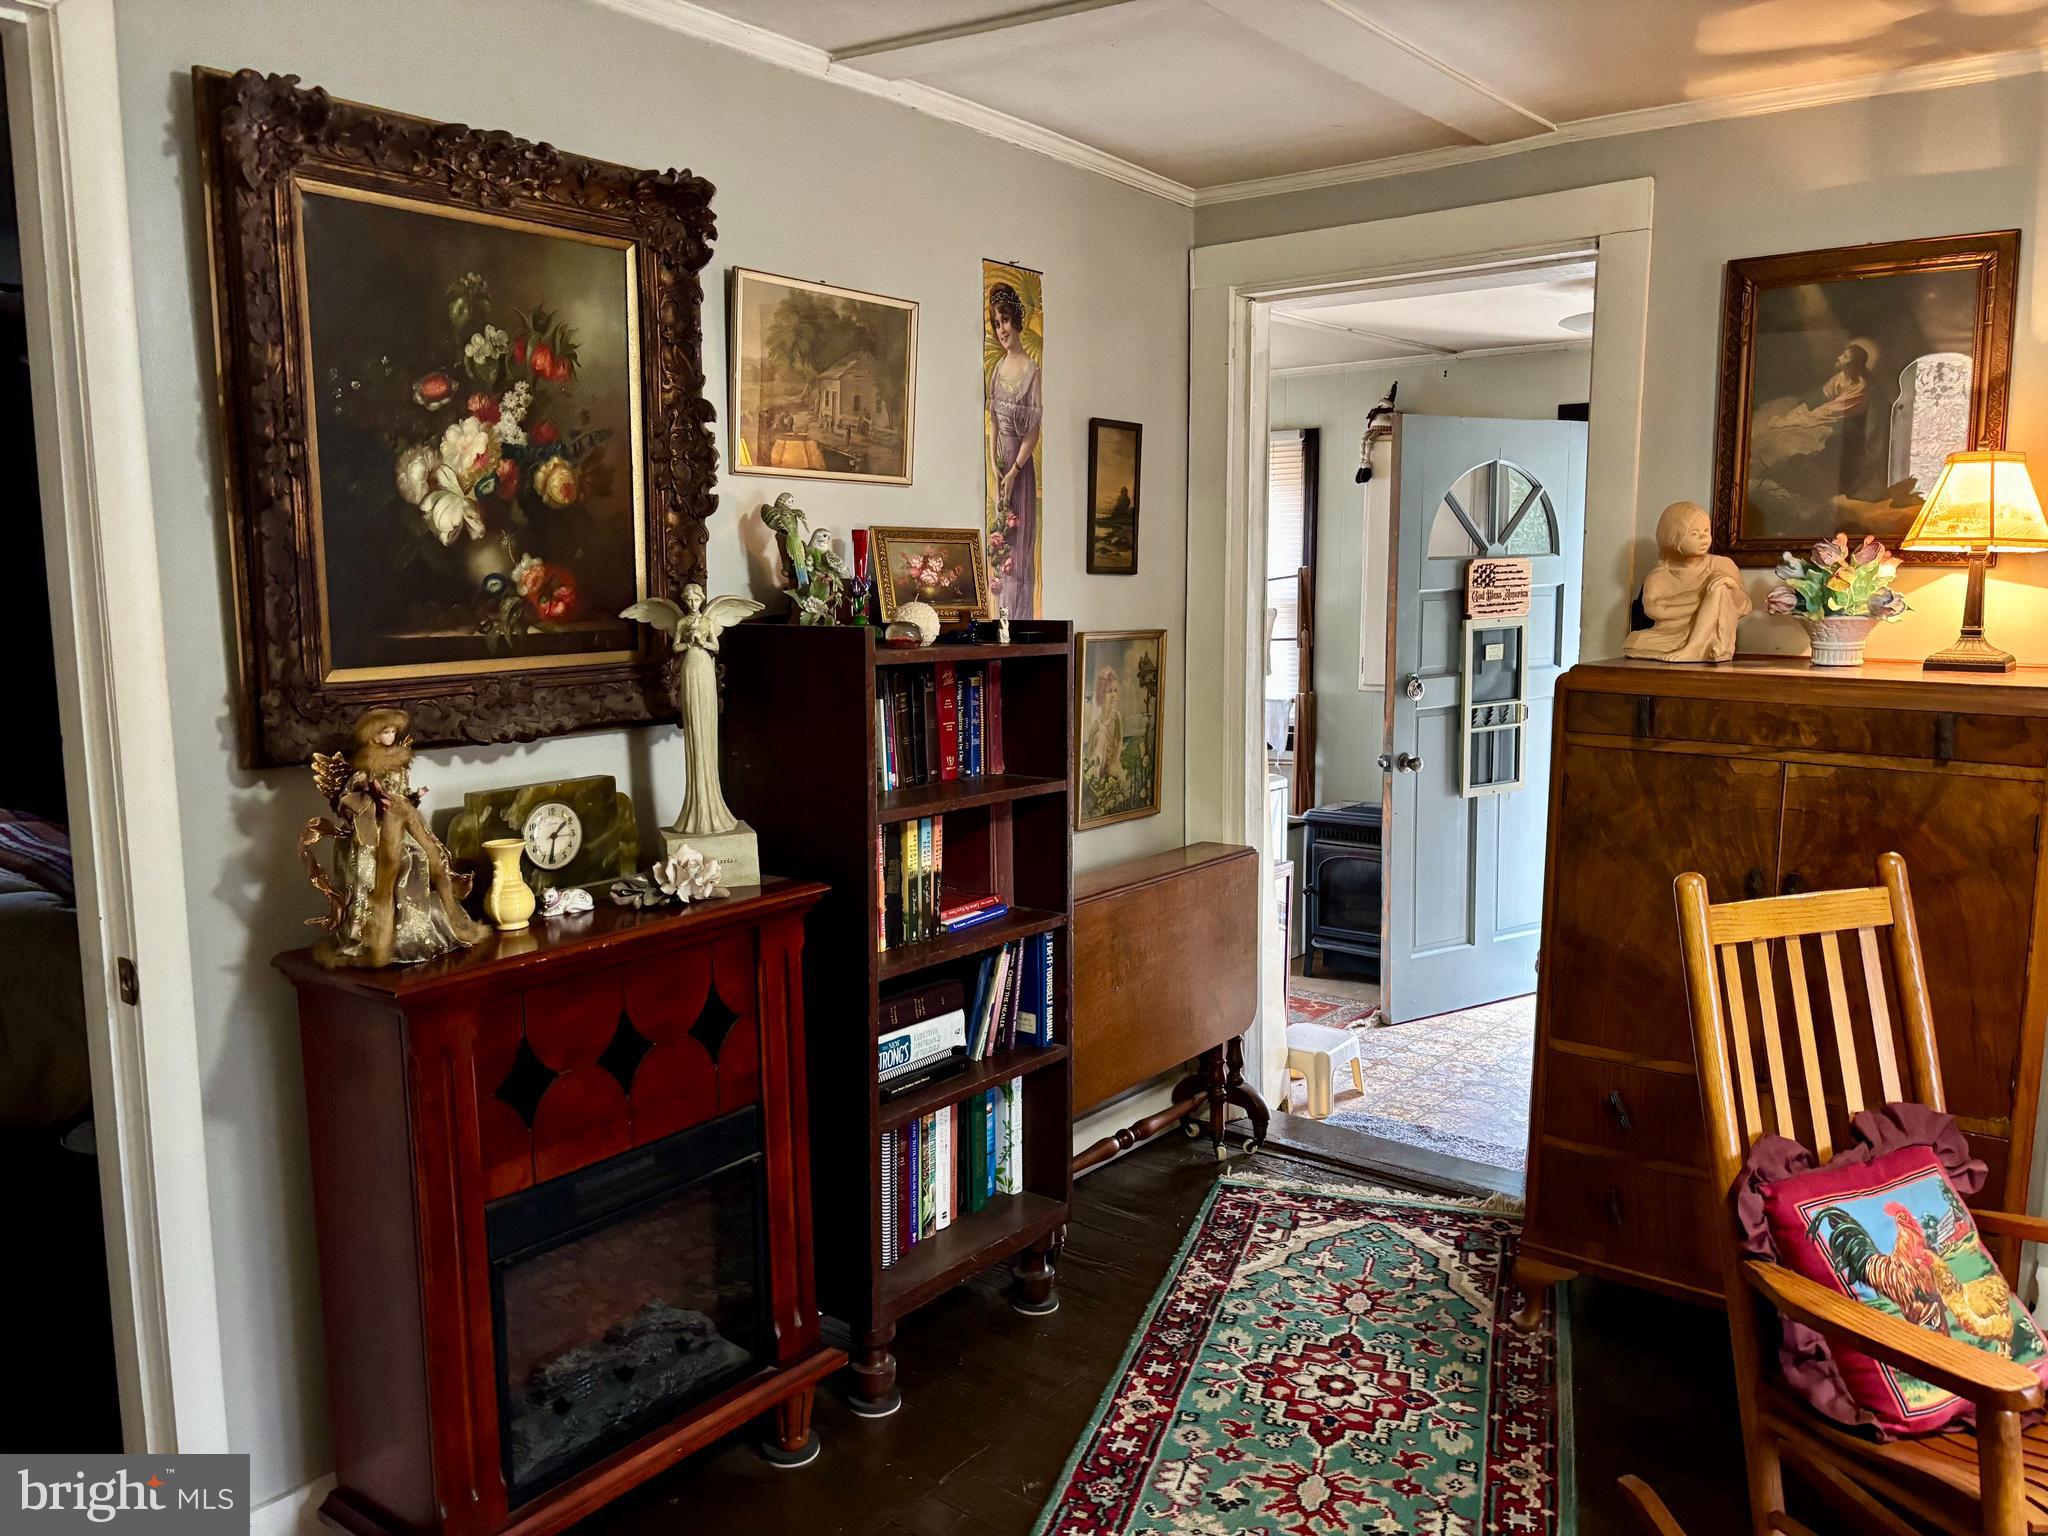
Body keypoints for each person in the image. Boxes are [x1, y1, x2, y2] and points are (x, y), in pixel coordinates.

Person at [1623, 500, 1751, 663]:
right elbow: (1655, 611)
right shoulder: (1659, 576)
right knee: (1635, 642)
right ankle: (1692, 645)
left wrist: (1731, 587)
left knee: (1721, 586)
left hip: (1713, 634)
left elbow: (1744, 607)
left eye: (1706, 531)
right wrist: (1703, 600)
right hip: (1673, 634)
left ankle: (1694, 648)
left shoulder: (1720, 565)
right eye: (1694, 533)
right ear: (1672, 537)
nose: (1704, 538)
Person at [986, 283, 1041, 619]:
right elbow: (993, 421)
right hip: (1001, 463)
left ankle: (1019, 618)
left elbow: (1033, 433)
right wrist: (994, 466)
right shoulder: (996, 368)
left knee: (1019, 549)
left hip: (1020, 466)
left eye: (1005, 320)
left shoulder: (1032, 369)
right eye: (996, 323)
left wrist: (1012, 471)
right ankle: (1000, 617)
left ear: (1017, 321)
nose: (1001, 329)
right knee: (1000, 543)